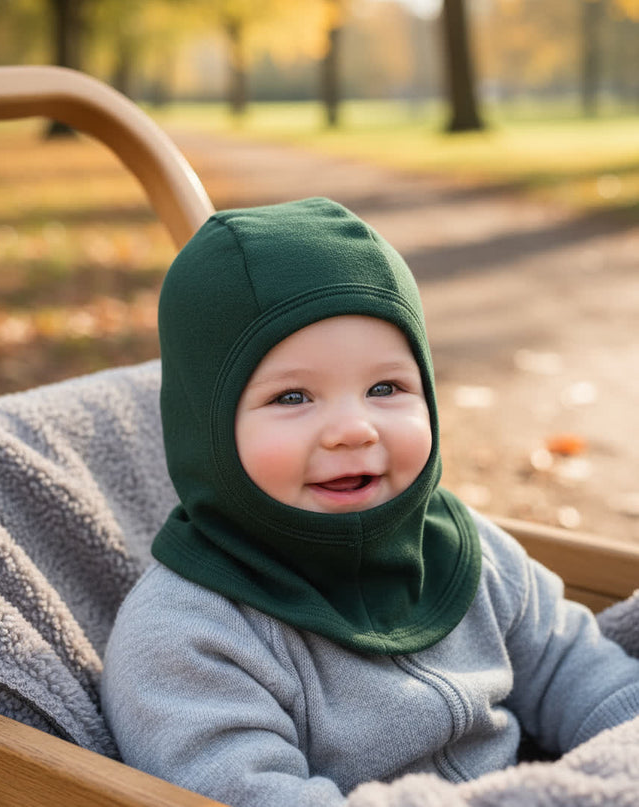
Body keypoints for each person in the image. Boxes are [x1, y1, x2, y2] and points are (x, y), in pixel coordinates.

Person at [101, 198, 639, 807]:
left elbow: (589, 679)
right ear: (205, 430)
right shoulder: (186, 637)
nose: (353, 429)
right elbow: (247, 793)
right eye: (293, 397)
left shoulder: (466, 552)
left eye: (386, 387)